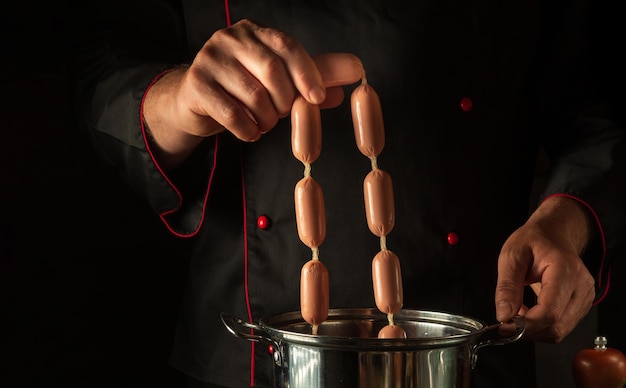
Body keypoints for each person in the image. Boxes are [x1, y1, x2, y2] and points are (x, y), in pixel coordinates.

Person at [69, 0, 625, 387]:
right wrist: (180, 97)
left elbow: (597, 103)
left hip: (468, 349)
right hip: (253, 359)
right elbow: (104, 74)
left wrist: (566, 222)